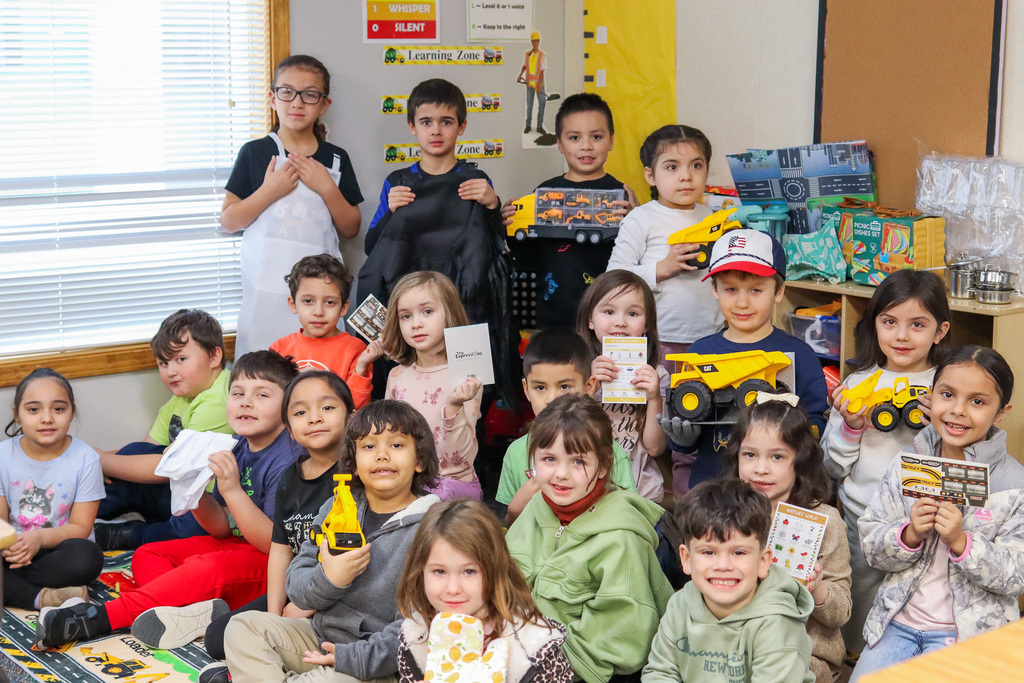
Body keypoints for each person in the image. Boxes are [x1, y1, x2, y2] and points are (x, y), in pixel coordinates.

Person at [36, 351, 303, 650]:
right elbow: (221, 529)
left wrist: (232, 491)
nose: (245, 402)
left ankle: (92, 619)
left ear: (289, 406)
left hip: (273, 563)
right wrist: (192, 485)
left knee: (201, 570)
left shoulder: (288, 459)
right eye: (237, 393)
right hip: (237, 546)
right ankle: (190, 613)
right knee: (148, 554)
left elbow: (273, 545)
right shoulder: (238, 445)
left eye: (262, 394)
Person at [222, 400, 441, 683]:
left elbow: (418, 628)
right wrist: (330, 578)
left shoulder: (434, 527)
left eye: (397, 445)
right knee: (242, 626)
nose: (382, 456)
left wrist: (350, 658)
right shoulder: (336, 508)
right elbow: (297, 587)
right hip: (318, 638)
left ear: (420, 460)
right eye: (369, 447)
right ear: (353, 461)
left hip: (376, 663)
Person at [852, 346, 1024, 680]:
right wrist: (908, 535)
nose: (958, 410)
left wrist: (962, 542)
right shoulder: (908, 463)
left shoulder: (1013, 483)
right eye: (947, 394)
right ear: (931, 395)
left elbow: (1017, 576)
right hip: (897, 624)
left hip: (971, 635)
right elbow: (872, 546)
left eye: (977, 401)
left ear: (1001, 412)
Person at [358, 78, 517, 405]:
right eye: (426, 122)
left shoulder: (476, 180)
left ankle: (470, 458)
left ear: (461, 127)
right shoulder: (398, 182)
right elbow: (372, 247)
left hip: (466, 307)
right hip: (410, 310)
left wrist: (492, 204)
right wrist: (389, 211)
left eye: (446, 122)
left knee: (471, 397)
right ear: (412, 127)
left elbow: (495, 247)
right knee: (405, 395)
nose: (436, 130)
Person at [821, 269, 950, 654]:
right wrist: (850, 427)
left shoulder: (948, 387)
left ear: (940, 331)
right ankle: (856, 659)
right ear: (874, 324)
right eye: (889, 322)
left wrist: (939, 426)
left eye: (917, 324)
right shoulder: (857, 384)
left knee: (918, 610)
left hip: (930, 522)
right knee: (861, 603)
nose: (902, 335)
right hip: (864, 519)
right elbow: (832, 468)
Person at [199, 370, 356, 683]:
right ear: (291, 430)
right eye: (300, 412)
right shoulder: (290, 477)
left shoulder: (356, 477)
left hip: (339, 596)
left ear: (352, 419)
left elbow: (356, 566)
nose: (314, 418)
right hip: (297, 585)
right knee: (219, 636)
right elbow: (281, 550)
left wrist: (305, 607)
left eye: (327, 408)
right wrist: (274, 616)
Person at [506, 394, 672, 683]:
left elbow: (622, 640)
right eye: (549, 459)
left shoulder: (621, 539)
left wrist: (543, 666)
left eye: (578, 461)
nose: (560, 474)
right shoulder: (537, 506)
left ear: (604, 466)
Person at [606, 124, 721, 496]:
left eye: (696, 165)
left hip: (710, 343)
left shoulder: (714, 217)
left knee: (697, 426)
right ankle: (654, 498)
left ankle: (692, 500)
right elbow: (614, 278)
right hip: (660, 346)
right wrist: (662, 267)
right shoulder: (642, 219)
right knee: (656, 427)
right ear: (650, 175)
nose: (686, 176)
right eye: (672, 167)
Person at [221, 55, 363, 355]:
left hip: (320, 298)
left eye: (309, 95)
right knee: (263, 376)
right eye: (287, 92)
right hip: (265, 293)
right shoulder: (255, 153)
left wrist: (326, 186)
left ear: (324, 105)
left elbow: (351, 227)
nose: (297, 103)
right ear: (273, 98)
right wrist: (269, 191)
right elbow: (229, 220)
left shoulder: (336, 159)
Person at [680, 228, 829, 490]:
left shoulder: (800, 355)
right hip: (713, 492)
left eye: (756, 290)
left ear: (779, 291)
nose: (742, 302)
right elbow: (683, 433)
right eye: (731, 289)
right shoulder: (698, 354)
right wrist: (681, 437)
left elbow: (816, 423)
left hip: (779, 492)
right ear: (715, 290)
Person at [724, 399, 852, 682]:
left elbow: (840, 613)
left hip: (805, 655)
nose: (761, 469)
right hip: (735, 649)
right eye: (749, 455)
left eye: (777, 457)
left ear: (801, 460)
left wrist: (816, 588)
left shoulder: (826, 520)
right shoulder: (725, 513)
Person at [643, 479, 815, 682]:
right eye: (708, 552)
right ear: (686, 559)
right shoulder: (679, 605)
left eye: (739, 552)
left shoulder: (777, 626)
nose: (723, 565)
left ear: (762, 562)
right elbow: (660, 673)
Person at [95, 308, 232, 549]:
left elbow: (164, 469)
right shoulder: (181, 397)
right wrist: (92, 463)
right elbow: (146, 450)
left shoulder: (219, 399)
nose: (170, 371)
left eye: (181, 359)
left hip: (210, 502)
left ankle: (133, 535)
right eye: (163, 363)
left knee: (193, 531)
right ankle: (73, 514)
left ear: (213, 357)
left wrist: (102, 461)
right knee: (132, 454)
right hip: (178, 488)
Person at [394, 499, 573, 683]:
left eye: (469, 571)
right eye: (439, 571)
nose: (453, 588)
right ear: (420, 571)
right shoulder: (414, 639)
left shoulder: (536, 648)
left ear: (495, 569)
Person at [500, 92, 638, 329]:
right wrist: (510, 228)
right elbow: (528, 258)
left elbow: (635, 261)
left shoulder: (622, 195)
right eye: (574, 137)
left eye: (596, 136)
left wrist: (637, 221)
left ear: (611, 140)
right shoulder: (544, 192)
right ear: (560, 144)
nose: (586, 146)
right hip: (554, 315)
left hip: (609, 320)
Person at [357, 271, 483, 500]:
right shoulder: (396, 376)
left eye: (427, 311)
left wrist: (454, 405)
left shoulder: (466, 374)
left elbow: (458, 459)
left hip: (451, 487)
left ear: (449, 313)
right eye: (405, 316)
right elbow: (389, 440)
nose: (416, 324)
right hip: (406, 484)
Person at [495, 329, 638, 524]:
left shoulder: (609, 452)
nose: (552, 398)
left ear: (589, 386)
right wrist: (514, 512)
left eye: (564, 387)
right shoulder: (516, 452)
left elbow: (630, 517)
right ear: (526, 390)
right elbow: (511, 533)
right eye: (540, 387)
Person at [0, 369, 104, 610]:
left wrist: (39, 538)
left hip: (58, 550)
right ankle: (41, 598)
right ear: (17, 415)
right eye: (33, 409)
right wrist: (15, 546)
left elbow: (80, 527)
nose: (46, 418)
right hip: (11, 550)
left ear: (72, 413)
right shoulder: (3, 455)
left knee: (88, 557)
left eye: (58, 409)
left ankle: (12, 587)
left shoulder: (86, 459)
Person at [578, 270, 668, 503]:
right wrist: (587, 386)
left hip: (639, 494)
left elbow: (655, 448)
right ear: (590, 319)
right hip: (585, 491)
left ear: (647, 323)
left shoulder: (657, 376)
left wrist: (654, 398)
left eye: (633, 313)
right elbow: (565, 430)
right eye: (609, 311)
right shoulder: (577, 372)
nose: (620, 321)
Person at [271, 254, 372, 408]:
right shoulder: (278, 349)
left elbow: (356, 408)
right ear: (293, 304)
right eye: (308, 301)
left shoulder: (356, 349)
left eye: (329, 302)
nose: (318, 311)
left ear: (344, 307)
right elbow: (272, 401)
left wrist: (362, 369)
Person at [519, 30, 549, 134]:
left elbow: (542, 71)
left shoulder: (543, 55)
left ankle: (539, 126)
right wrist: (519, 76)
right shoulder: (527, 54)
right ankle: (528, 125)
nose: (535, 42)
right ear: (531, 42)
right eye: (533, 41)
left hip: (539, 84)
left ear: (539, 41)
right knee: (529, 104)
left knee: (542, 103)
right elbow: (524, 66)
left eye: (536, 40)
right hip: (529, 84)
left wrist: (539, 85)